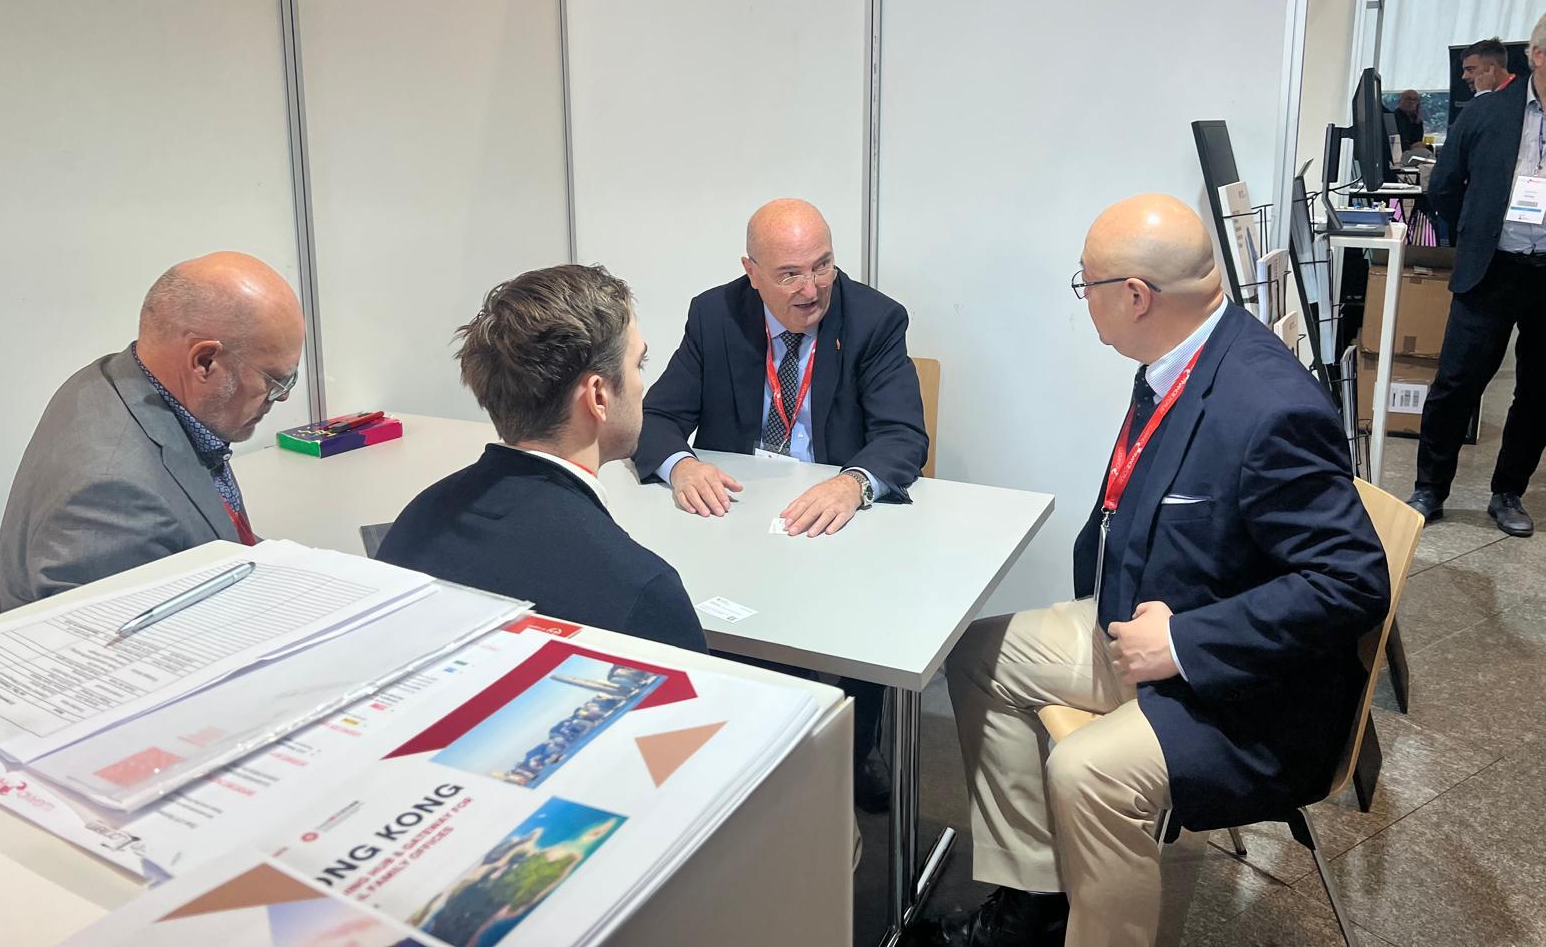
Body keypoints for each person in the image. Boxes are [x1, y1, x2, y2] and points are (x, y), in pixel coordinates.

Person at [914, 195, 1388, 947]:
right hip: (1145, 625)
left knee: (1085, 771)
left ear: (1135, 297)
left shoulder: (1265, 406)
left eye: (1087, 283)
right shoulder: (1178, 360)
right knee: (976, 656)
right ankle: (1034, 900)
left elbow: (1353, 583)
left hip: (1250, 690)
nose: (1084, 297)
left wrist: (1188, 642)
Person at [632, 196, 929, 808]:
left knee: (859, 612)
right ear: (752, 272)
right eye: (789, 274)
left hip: (833, 518)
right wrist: (680, 463)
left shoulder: (874, 320)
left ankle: (851, 754)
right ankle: (748, 754)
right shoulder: (714, 315)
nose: (811, 289)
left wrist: (852, 482)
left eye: (823, 266)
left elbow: (903, 436)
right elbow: (657, 416)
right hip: (739, 516)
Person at [379, 264, 706, 652]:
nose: (641, 385)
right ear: (598, 396)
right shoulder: (640, 590)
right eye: (639, 365)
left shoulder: (416, 522)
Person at [0, 252, 305, 609]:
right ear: (204, 362)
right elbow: (120, 654)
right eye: (274, 381)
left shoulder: (114, 380)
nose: (280, 398)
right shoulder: (114, 496)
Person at [1410, 12, 1546, 537]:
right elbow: (1443, 186)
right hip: (1491, 270)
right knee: (1457, 382)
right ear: (1537, 56)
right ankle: (1430, 487)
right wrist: (1474, 231)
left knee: (1538, 391)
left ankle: (1508, 492)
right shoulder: (1487, 113)